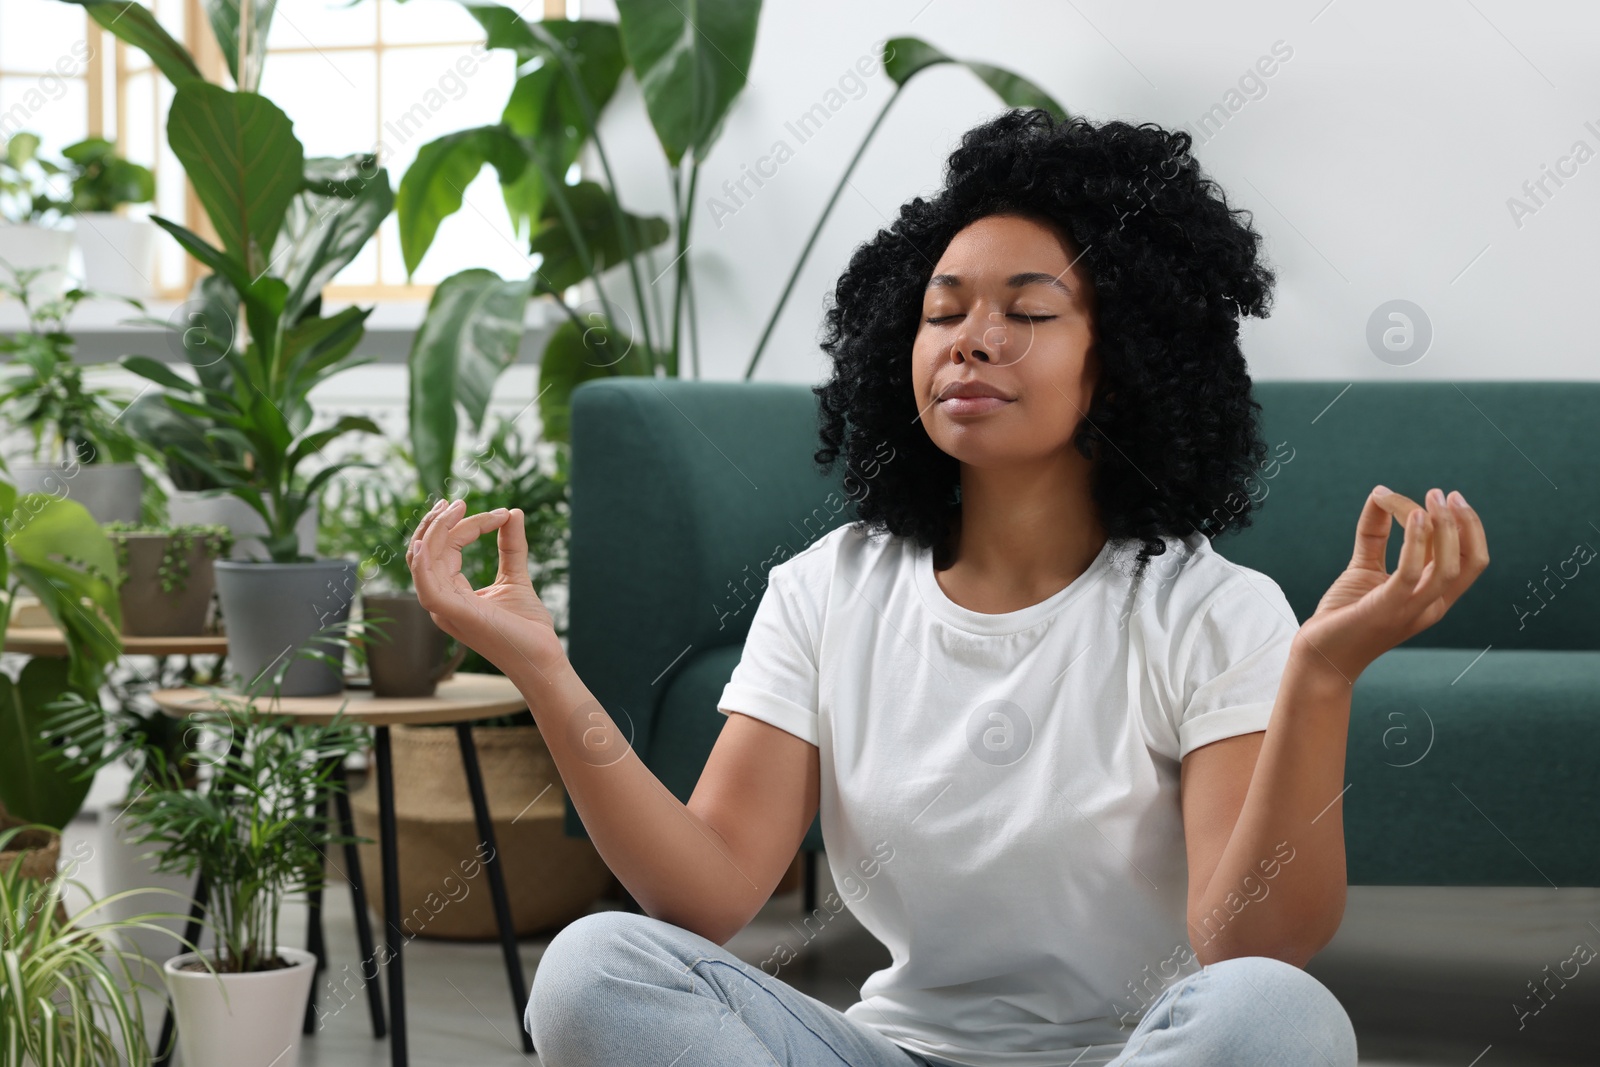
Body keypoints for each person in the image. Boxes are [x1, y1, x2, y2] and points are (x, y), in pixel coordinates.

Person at [407, 108, 1489, 1066]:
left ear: (1121, 360)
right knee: (593, 966)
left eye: (1028, 311)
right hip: (890, 1046)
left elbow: (1250, 947)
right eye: (943, 310)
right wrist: (541, 669)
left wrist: (1321, 675)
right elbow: (702, 895)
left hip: (1139, 1054)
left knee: (1278, 1016)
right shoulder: (826, 587)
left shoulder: (1206, 608)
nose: (972, 339)